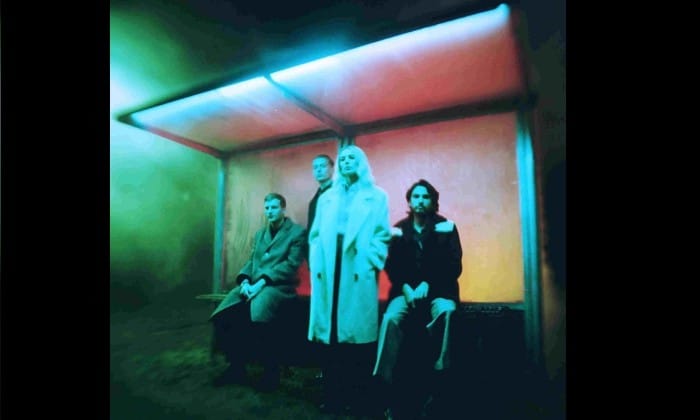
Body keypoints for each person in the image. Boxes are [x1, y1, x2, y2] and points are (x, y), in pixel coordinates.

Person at [307, 144, 391, 414]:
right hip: (330, 266)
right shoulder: (327, 197)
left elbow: (382, 234)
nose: (345, 162)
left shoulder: (377, 196)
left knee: (355, 336)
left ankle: (357, 397)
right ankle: (332, 395)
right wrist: (317, 261)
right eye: (342, 158)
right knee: (331, 332)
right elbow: (315, 235)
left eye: (352, 157)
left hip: (356, 266)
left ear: (362, 162)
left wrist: (370, 261)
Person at [372, 179, 463, 419]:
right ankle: (383, 383)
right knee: (390, 319)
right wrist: (405, 287)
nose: (420, 201)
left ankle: (441, 375)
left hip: (440, 291)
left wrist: (428, 283)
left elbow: (453, 265)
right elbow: (392, 265)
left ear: (433, 201)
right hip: (406, 292)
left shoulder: (446, 227)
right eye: (416, 196)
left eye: (425, 197)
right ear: (410, 202)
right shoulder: (398, 229)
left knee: (447, 312)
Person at [209, 192, 306, 391]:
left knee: (259, 312)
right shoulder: (260, 234)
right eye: (267, 208)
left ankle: (271, 372)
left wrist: (261, 283)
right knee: (227, 310)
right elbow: (252, 261)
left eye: (274, 207)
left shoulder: (297, 233)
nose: (270, 212)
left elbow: (291, 265)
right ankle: (236, 368)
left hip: (280, 287)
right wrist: (245, 281)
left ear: (283, 209)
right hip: (254, 285)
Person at [306, 154, 334, 383]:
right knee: (321, 315)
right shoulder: (314, 200)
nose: (318, 170)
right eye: (315, 167)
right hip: (318, 264)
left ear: (332, 168)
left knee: (333, 314)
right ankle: (324, 367)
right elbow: (311, 234)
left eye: (322, 166)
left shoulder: (339, 194)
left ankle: (333, 367)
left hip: (335, 263)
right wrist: (311, 260)